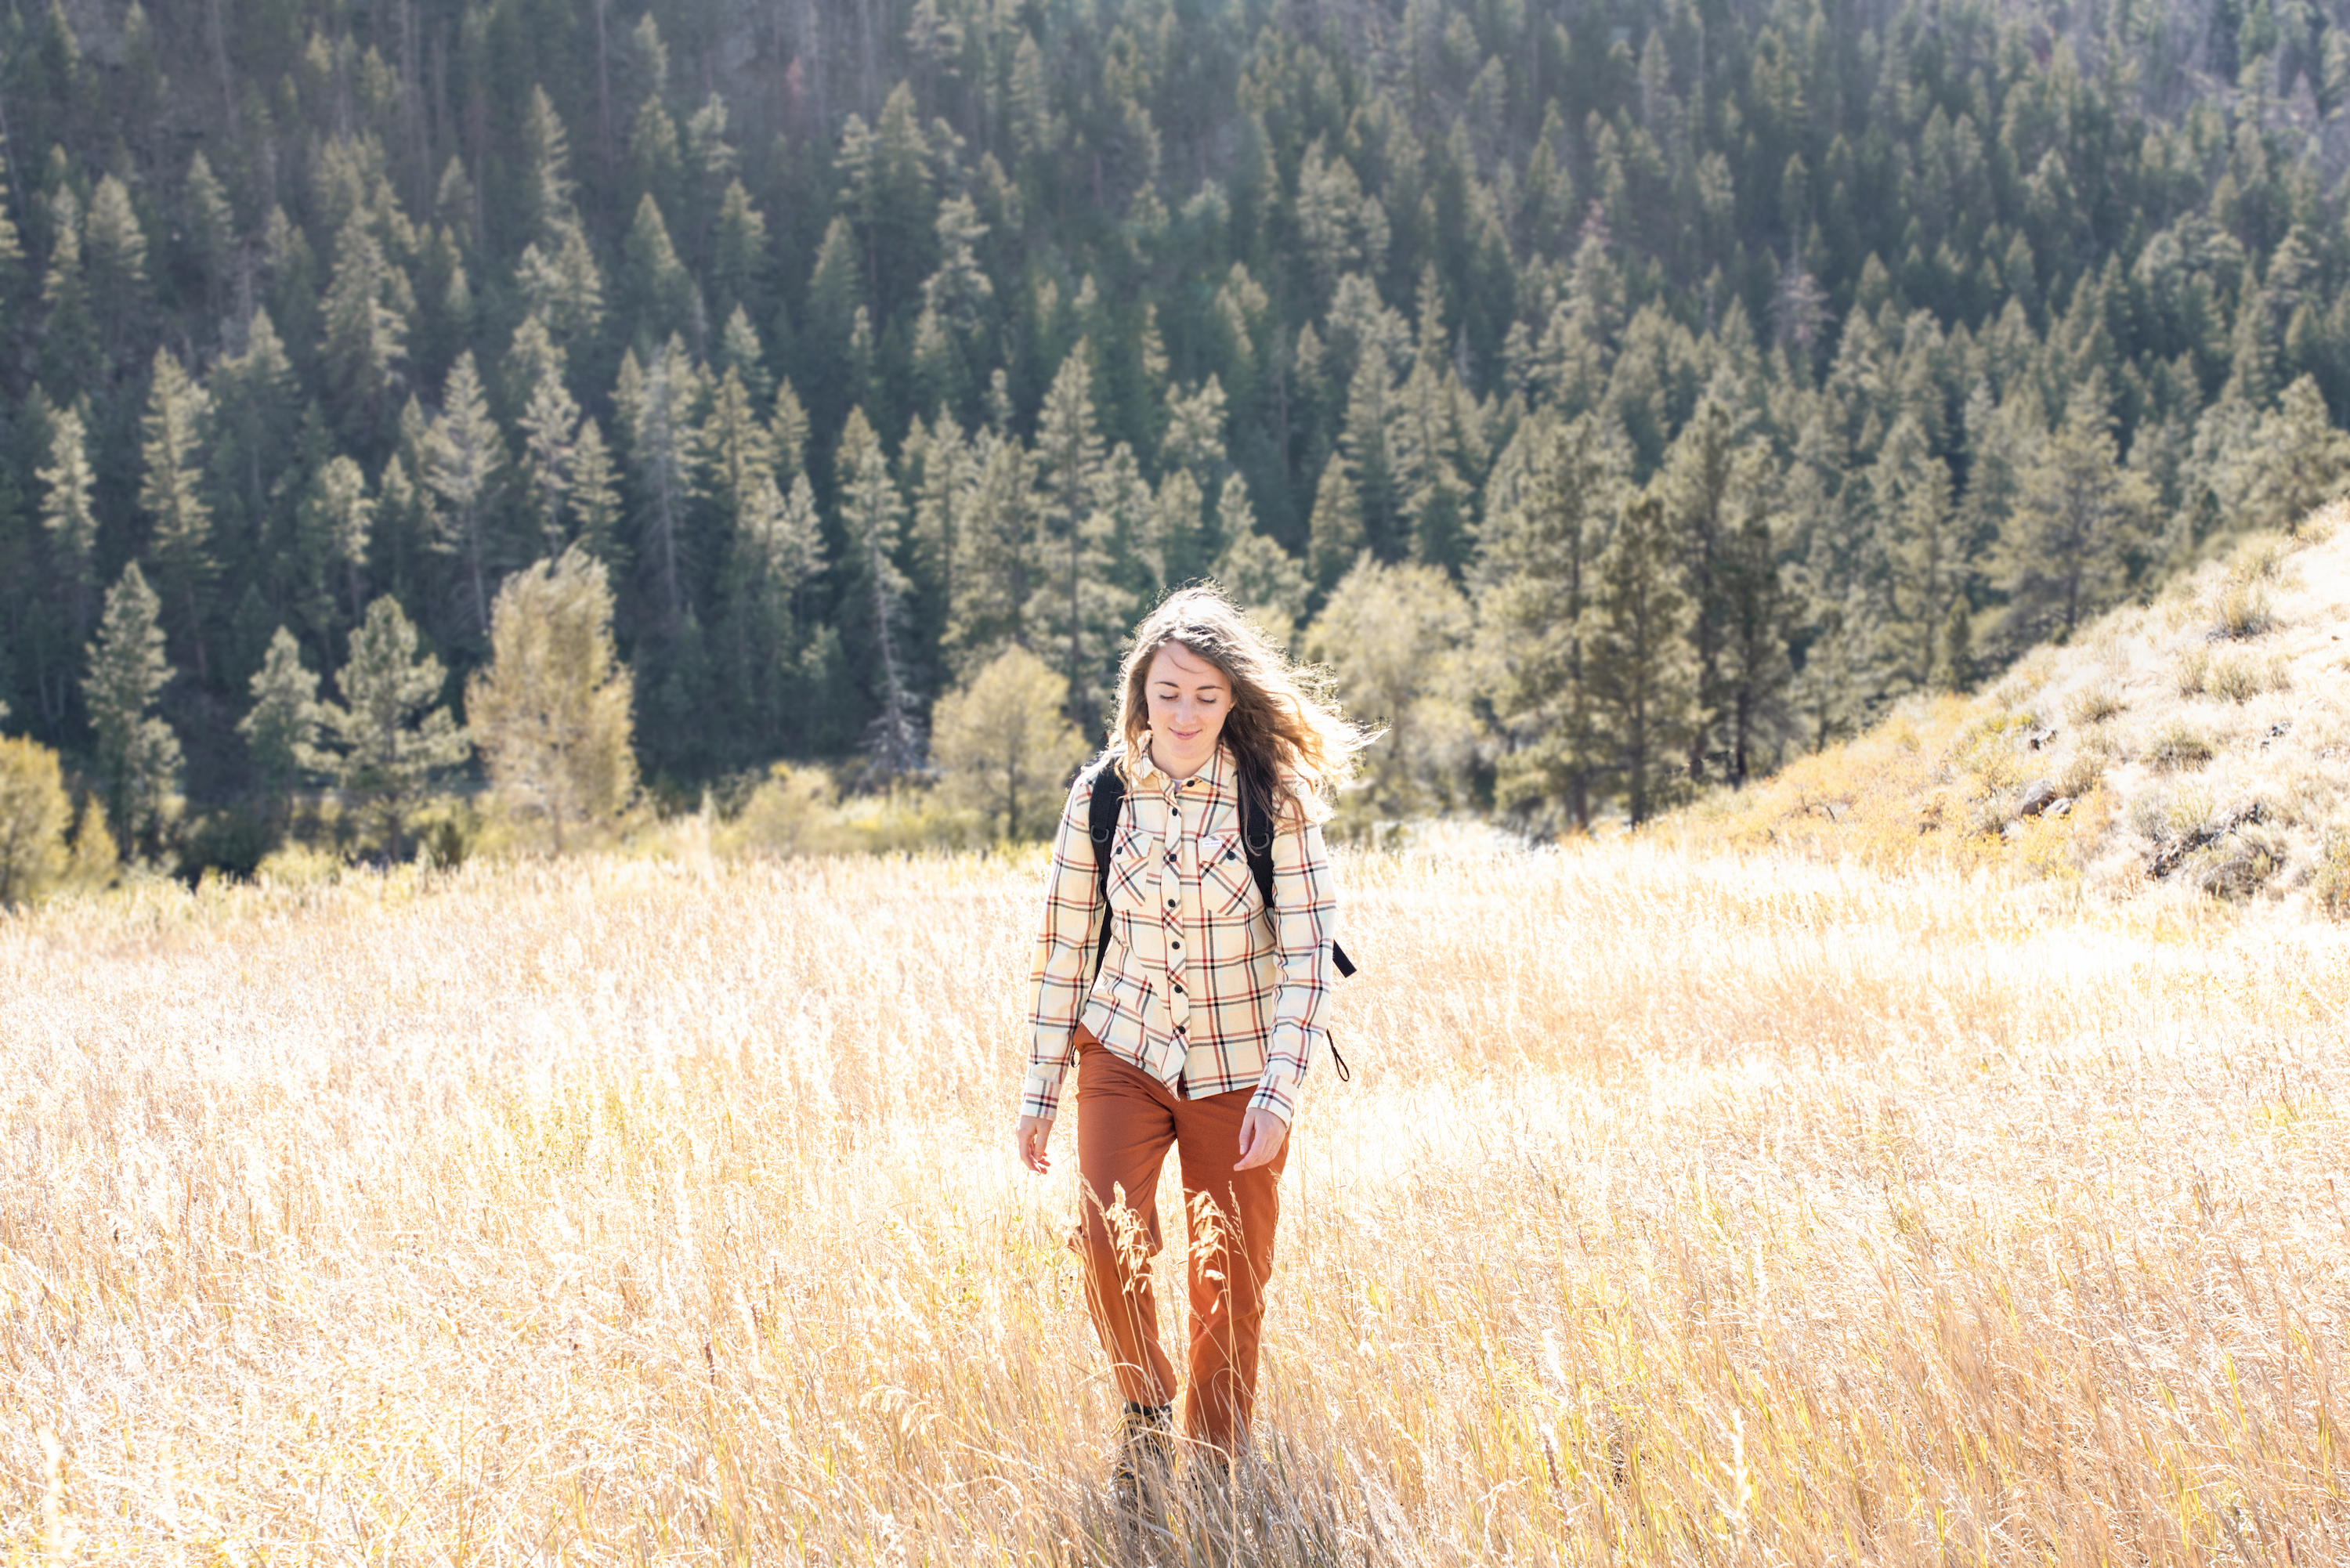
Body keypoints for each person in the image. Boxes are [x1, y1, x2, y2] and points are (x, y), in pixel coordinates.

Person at [1014, 586, 1366, 1504]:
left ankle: (1216, 1468)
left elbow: (1307, 957)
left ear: (1232, 702)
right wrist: (1039, 1089)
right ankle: (1143, 1408)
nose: (1184, 713)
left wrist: (1281, 1092)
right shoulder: (1100, 795)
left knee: (1230, 1278)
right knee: (1103, 1239)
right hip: (1122, 1051)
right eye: (1169, 691)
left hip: (1239, 1070)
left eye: (1206, 696)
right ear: (1141, 693)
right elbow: (1061, 945)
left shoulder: (1274, 799)